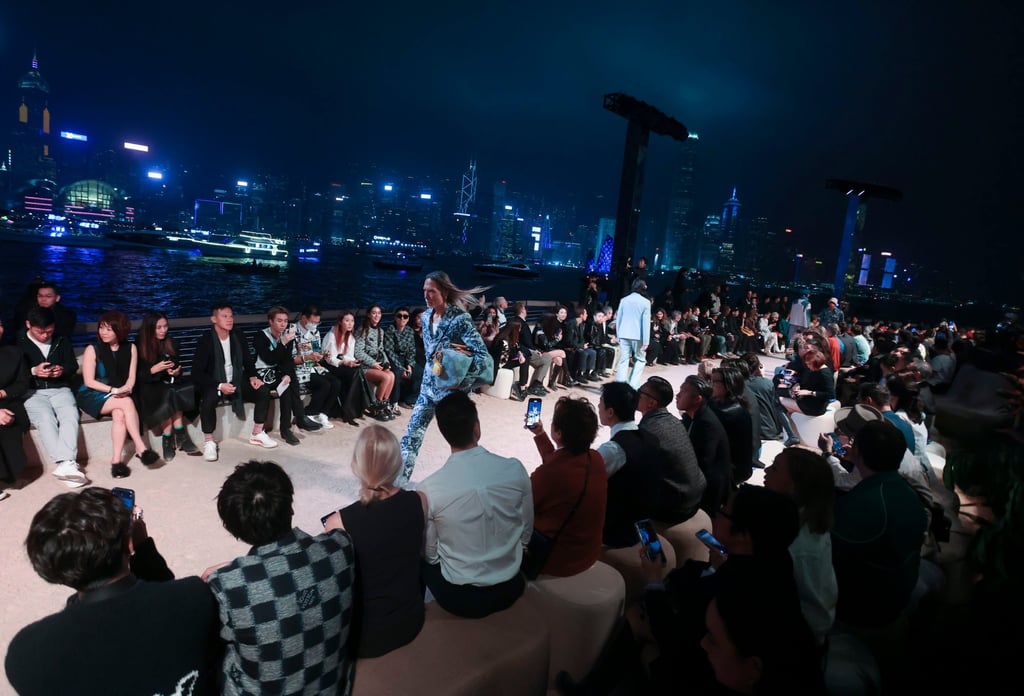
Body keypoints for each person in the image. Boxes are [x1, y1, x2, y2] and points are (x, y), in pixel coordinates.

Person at [5, 487, 221, 695]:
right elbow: (163, 598)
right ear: (129, 543)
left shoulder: (27, 654)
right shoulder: (195, 597)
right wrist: (143, 547)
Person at [205, 460, 356, 695]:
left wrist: (225, 575)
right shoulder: (341, 547)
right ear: (290, 507)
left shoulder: (226, 586)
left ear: (234, 528)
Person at [418, 391, 532, 618]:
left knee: (415, 553)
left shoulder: (429, 489)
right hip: (512, 584)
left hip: (459, 598)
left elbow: (430, 555)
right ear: (476, 428)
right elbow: (526, 532)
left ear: (444, 433)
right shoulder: (515, 468)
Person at [323, 426, 426, 657]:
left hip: (365, 637)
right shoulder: (419, 501)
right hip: (411, 619)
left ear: (355, 465)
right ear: (397, 464)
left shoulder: (338, 523)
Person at [831, 420, 928, 629]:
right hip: (898, 592)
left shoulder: (866, 502)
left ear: (856, 451)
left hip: (868, 609)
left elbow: (831, 550)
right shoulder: (905, 490)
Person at [398, 271, 491, 485]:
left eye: (431, 291)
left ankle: (471, 485)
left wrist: (461, 384)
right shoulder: (424, 317)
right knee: (411, 435)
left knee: (461, 443)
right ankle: (399, 485)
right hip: (427, 389)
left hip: (452, 393)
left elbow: (481, 355)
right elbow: (431, 354)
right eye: (424, 291)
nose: (426, 295)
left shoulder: (460, 319)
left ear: (445, 292)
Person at [764, 447, 838, 645]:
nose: (766, 470)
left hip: (796, 638)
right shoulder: (808, 519)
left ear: (794, 487)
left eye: (775, 468)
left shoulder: (795, 545)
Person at [526, 396, 608, 577]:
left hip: (558, 559)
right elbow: (559, 463)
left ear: (558, 432)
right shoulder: (595, 458)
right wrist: (540, 435)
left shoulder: (550, 473)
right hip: (588, 553)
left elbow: (522, 506)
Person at [76, 310, 159, 478]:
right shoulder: (93, 349)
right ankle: (141, 447)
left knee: (119, 414)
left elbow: (131, 377)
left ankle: (116, 462)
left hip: (119, 393)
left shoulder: (131, 348)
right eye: (101, 328)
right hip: (93, 393)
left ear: (120, 330)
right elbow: (89, 382)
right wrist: (114, 390)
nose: (103, 332)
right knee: (126, 402)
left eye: (109, 329)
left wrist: (127, 388)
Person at [191, 302, 277, 461]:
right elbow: (197, 373)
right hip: (214, 382)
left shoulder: (238, 336)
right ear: (214, 319)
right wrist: (219, 385)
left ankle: (257, 433)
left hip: (236, 380)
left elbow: (248, 361)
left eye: (231, 316)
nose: (229, 319)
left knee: (263, 390)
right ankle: (209, 442)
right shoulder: (206, 340)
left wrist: (253, 377)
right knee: (208, 399)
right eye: (224, 316)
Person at [18, 307, 87, 487]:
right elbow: (14, 373)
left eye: (49, 331)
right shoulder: (18, 342)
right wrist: (34, 371)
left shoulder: (61, 339)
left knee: (70, 415)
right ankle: (67, 463)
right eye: (40, 332)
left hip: (60, 388)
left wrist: (62, 370)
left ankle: (65, 465)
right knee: (45, 419)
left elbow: (72, 366)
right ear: (28, 325)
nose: (44, 336)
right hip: (32, 391)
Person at [595, 381, 668, 547]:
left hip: (617, 532)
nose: (598, 407)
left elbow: (583, 483)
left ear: (610, 412)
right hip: (643, 521)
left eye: (601, 403)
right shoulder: (651, 438)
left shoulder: (613, 450)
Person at [636, 376, 706, 525]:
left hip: (678, 506)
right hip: (694, 494)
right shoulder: (673, 421)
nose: (635, 395)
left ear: (651, 403)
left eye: (640, 392)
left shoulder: (649, 430)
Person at [135, 310, 201, 461]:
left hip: (166, 383)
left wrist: (175, 372)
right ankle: (178, 436)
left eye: (165, 326)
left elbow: (177, 366)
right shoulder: (139, 345)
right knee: (168, 393)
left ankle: (170, 438)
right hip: (147, 385)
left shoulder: (171, 342)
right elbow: (136, 376)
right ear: (150, 328)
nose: (163, 330)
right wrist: (153, 370)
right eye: (159, 327)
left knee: (178, 390)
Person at [252, 305, 322, 446]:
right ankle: (297, 420)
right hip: (262, 373)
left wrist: (287, 374)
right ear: (271, 321)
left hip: (277, 371)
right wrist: (283, 342)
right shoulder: (260, 336)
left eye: (285, 321)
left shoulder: (287, 336)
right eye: (279, 321)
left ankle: (289, 426)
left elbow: (287, 360)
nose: (283, 324)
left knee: (290, 381)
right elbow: (269, 359)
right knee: (286, 386)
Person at [676, 375, 732, 514]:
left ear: (697, 399)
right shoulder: (692, 418)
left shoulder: (706, 424)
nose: (678, 395)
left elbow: (703, 463)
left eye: (684, 392)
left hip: (709, 491)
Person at [322, 310, 376, 424]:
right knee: (355, 373)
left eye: (352, 321)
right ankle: (368, 403)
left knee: (357, 370)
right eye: (347, 321)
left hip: (342, 364)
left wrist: (352, 362)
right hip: (331, 365)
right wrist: (344, 363)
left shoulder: (350, 337)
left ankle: (352, 411)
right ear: (340, 322)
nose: (350, 323)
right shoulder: (331, 335)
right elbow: (329, 358)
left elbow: (349, 356)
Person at [291, 305, 340, 429]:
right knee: (324, 384)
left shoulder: (315, 332)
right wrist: (308, 357)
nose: (314, 325)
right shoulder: (292, 332)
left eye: (317, 323)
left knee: (336, 382)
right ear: (303, 318)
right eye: (312, 322)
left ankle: (323, 414)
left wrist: (323, 355)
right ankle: (310, 413)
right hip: (299, 369)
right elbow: (291, 359)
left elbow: (316, 352)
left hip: (313, 366)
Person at [709, 365, 755, 485]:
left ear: (728, 385)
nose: (710, 384)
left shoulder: (729, 412)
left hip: (731, 469)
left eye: (714, 382)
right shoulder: (723, 404)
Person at [0, 317, 30, 497]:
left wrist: (3, 393)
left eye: (0, 325)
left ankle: (10, 475)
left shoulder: (13, 353)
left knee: (10, 421)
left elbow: (22, 383)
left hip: (7, 401)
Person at [356, 303, 399, 419]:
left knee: (391, 375)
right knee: (385, 377)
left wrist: (386, 363)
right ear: (368, 315)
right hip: (364, 366)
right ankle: (376, 407)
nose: (377, 315)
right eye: (374, 313)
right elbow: (358, 352)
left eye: (379, 313)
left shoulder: (380, 331)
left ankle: (385, 404)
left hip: (377, 364)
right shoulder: (362, 330)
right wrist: (372, 363)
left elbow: (381, 350)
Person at [509, 301, 553, 399]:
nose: (526, 310)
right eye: (525, 309)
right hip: (522, 351)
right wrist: (532, 350)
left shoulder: (519, 321)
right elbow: (520, 341)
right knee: (547, 359)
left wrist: (534, 349)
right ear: (522, 310)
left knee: (547, 357)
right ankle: (535, 385)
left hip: (526, 350)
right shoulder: (519, 323)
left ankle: (537, 384)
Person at [385, 305, 423, 409]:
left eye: (405, 316)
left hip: (405, 359)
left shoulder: (409, 331)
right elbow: (389, 351)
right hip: (393, 359)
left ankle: (410, 400)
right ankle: (393, 402)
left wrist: (410, 365)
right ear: (395, 317)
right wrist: (402, 369)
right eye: (399, 316)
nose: (402, 318)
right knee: (397, 373)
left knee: (420, 372)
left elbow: (411, 350)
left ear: (408, 319)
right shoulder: (390, 329)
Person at [615, 279, 651, 389]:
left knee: (623, 360)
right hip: (638, 335)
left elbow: (619, 318)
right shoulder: (646, 302)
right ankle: (632, 386)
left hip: (623, 333)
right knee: (640, 359)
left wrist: (618, 334)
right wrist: (646, 341)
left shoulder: (624, 300)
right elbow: (645, 323)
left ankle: (620, 387)